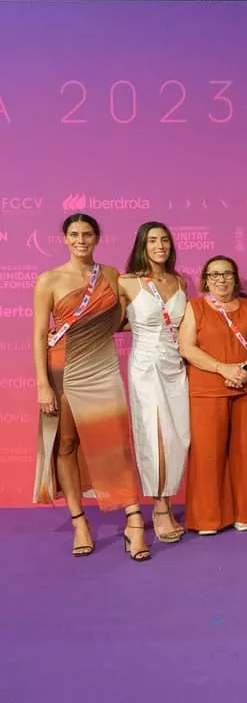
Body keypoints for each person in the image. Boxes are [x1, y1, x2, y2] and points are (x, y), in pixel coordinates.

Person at [32, 213, 150, 561]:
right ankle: (79, 522)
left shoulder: (111, 275)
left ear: (97, 238)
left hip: (102, 366)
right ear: (64, 238)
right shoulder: (48, 280)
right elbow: (40, 335)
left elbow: (123, 320)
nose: (81, 240)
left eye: (87, 234)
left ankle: (134, 522)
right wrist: (43, 384)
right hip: (63, 369)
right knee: (66, 443)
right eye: (74, 234)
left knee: (116, 444)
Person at [178, 255, 247, 534]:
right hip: (207, 391)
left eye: (227, 274)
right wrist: (222, 369)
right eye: (215, 274)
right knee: (208, 456)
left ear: (235, 277)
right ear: (206, 279)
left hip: (245, 388)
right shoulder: (194, 307)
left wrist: (244, 369)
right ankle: (209, 518)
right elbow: (187, 347)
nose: (221, 279)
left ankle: (245, 511)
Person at [118, 221, 190, 544]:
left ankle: (169, 502)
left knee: (178, 438)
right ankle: (159, 508)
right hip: (146, 367)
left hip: (177, 366)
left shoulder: (181, 281)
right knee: (154, 435)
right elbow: (112, 322)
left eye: (165, 240)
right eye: (152, 240)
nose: (160, 245)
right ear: (142, 245)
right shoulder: (127, 282)